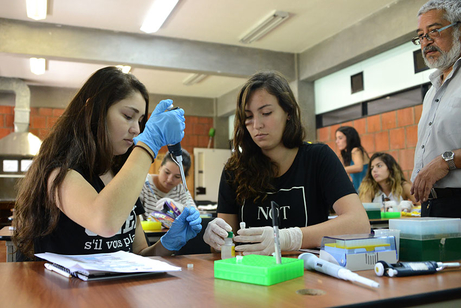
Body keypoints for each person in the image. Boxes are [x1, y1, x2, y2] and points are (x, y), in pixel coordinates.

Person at [13, 66, 202, 260]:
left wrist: (168, 244)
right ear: (94, 110)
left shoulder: (120, 173)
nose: (136, 129)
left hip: (114, 290)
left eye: (141, 120)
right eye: (128, 116)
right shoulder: (58, 173)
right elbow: (104, 222)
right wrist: (149, 145)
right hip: (64, 289)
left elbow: (137, 254)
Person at [203, 71, 370, 255]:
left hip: (309, 273)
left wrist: (289, 238)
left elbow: (359, 224)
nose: (257, 124)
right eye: (248, 116)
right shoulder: (234, 170)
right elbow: (225, 244)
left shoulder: (318, 158)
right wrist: (216, 237)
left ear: (288, 112)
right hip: (252, 276)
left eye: (266, 113)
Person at [410, 0, 461, 217]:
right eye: (421, 35)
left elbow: (442, 160)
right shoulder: (432, 90)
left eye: (434, 31)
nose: (426, 41)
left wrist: (446, 161)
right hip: (432, 206)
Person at [139, 149, 197, 220]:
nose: (169, 179)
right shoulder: (144, 184)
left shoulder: (180, 189)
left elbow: (195, 214)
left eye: (177, 176)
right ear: (160, 167)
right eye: (167, 172)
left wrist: (177, 206)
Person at [335, 126, 370, 192]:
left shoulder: (356, 150)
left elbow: (359, 167)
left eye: (340, 138)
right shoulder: (344, 155)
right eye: (336, 138)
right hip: (359, 189)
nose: (337, 141)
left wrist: (338, 170)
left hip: (366, 190)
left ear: (349, 138)